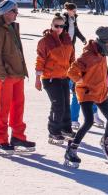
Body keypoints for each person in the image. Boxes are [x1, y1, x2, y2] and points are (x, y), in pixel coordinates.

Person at [0, 0, 35, 155]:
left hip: (16, 73)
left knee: (18, 106)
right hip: (3, 76)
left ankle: (18, 137)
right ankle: (0, 140)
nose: (16, 13)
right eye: (14, 11)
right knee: (3, 108)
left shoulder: (12, 27)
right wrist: (1, 76)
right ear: (6, 12)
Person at [65, 27, 108, 166]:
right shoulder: (88, 55)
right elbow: (72, 71)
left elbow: (97, 68)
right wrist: (81, 81)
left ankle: (106, 140)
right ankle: (72, 149)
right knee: (88, 121)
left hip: (100, 91)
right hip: (87, 92)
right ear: (107, 40)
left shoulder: (102, 52)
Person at [34, 14, 76, 144]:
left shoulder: (67, 39)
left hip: (64, 77)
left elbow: (72, 59)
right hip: (50, 78)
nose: (59, 28)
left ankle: (65, 128)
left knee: (65, 105)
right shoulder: (45, 41)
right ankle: (54, 131)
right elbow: (40, 60)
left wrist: (74, 75)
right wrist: (37, 78)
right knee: (58, 105)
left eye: (61, 26)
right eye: (56, 26)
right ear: (51, 26)